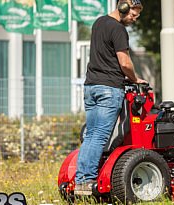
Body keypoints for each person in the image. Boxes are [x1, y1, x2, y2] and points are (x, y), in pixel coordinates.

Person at [74, 0, 147, 196]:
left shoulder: (98, 23)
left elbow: (105, 57)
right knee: (99, 135)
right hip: (109, 89)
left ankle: (81, 179)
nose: (134, 18)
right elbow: (124, 62)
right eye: (133, 14)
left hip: (91, 87)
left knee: (91, 135)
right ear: (123, 7)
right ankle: (87, 181)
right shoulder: (118, 29)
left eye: (137, 16)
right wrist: (135, 78)